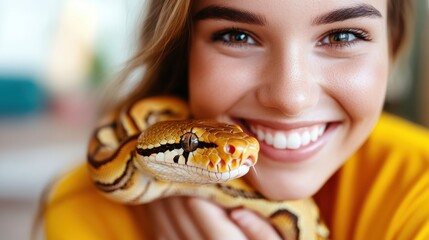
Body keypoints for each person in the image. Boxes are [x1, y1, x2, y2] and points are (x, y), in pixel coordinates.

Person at [43, 0, 429, 239]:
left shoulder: (418, 189)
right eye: (237, 36)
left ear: (393, 48)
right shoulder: (83, 211)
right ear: (182, 48)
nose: (290, 99)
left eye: (343, 35)